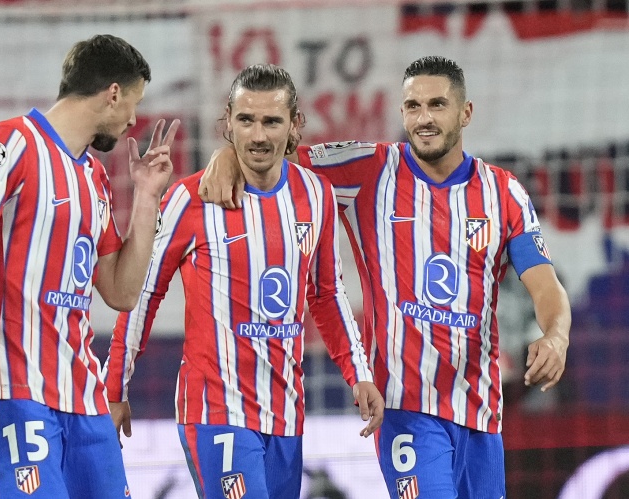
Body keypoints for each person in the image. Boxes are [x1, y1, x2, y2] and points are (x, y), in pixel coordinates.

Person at [199, 56, 571, 498]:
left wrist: (556, 336)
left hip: (480, 411)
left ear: (465, 113)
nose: (424, 118)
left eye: (437, 105)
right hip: (404, 407)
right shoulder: (368, 168)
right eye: (413, 106)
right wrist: (227, 154)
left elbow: (545, 284)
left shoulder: (503, 193)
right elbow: (271, 151)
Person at [103, 64, 384, 499]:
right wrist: (115, 386)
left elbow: (327, 293)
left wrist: (359, 373)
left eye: (271, 121)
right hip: (215, 409)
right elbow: (142, 293)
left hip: (286, 414)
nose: (257, 135)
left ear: (294, 125)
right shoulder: (190, 199)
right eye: (246, 120)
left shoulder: (316, 194)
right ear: (228, 122)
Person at [0, 34, 180, 498]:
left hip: (84, 396)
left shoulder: (94, 176)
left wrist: (147, 199)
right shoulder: (12, 142)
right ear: (113, 93)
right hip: (12, 388)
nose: (133, 120)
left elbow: (121, 291)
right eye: (134, 103)